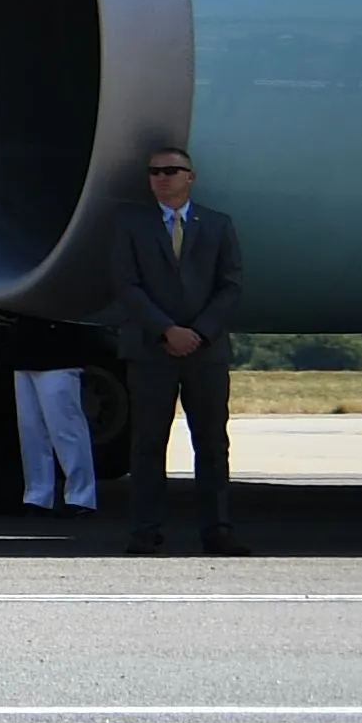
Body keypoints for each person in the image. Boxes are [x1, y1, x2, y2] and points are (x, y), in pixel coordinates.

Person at [109, 147, 246, 556]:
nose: (161, 178)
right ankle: (145, 531)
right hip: (152, 349)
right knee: (149, 443)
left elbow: (231, 285)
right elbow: (125, 284)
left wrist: (198, 332)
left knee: (211, 443)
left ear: (191, 176)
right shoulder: (131, 224)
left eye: (171, 171)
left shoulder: (218, 225)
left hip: (205, 351)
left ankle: (217, 530)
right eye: (154, 172)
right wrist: (166, 329)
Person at [0, 309, 102, 523]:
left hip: (58, 348)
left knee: (65, 427)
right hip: (25, 346)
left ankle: (81, 497)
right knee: (31, 430)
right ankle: (38, 495)